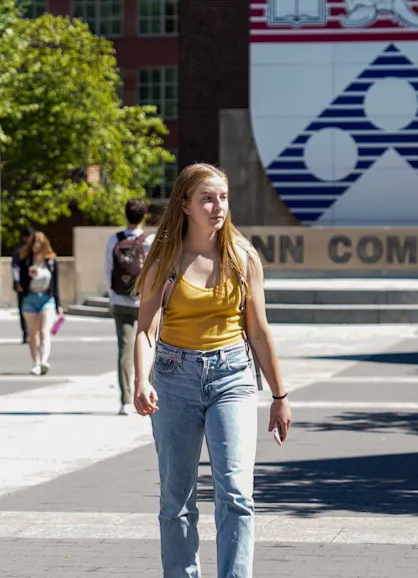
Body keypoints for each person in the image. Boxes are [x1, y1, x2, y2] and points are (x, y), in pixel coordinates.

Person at [133, 163, 290, 578]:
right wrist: (140, 381)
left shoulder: (242, 256)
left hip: (232, 376)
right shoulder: (164, 258)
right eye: (206, 198)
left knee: (236, 492)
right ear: (185, 205)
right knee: (176, 499)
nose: (217, 206)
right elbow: (146, 331)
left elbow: (258, 331)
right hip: (173, 377)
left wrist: (279, 396)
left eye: (222, 197)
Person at [107, 198, 155, 416]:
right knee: (151, 345)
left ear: (125, 215)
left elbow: (108, 269)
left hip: (120, 301)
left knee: (124, 351)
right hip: (145, 301)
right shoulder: (149, 241)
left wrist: (113, 296)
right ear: (144, 216)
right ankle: (150, 394)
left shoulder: (114, 240)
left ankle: (125, 400)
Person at [15, 230, 61, 375]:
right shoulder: (26, 261)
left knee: (44, 331)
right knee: (33, 333)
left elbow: (56, 284)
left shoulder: (51, 261)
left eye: (39, 244)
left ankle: (44, 361)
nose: (36, 247)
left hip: (47, 298)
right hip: (30, 298)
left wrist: (59, 304)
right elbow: (20, 284)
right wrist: (28, 276)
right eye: (34, 243)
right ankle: (35, 362)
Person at [11, 227, 36, 344]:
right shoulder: (19, 251)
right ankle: (25, 332)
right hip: (22, 284)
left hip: (35, 283)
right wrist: (17, 281)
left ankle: (33, 332)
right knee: (23, 309)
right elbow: (15, 267)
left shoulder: (35, 250)